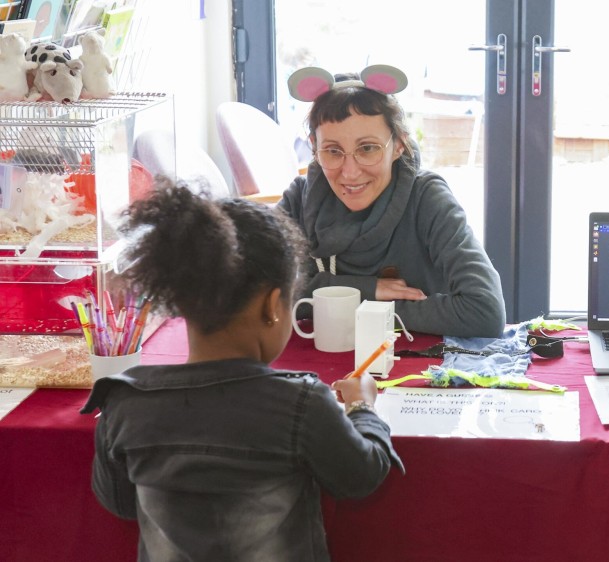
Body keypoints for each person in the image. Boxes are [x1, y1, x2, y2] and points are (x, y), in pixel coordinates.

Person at [81, 180, 403, 561]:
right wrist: (363, 408)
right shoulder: (300, 402)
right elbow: (361, 475)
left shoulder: (123, 402)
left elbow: (119, 503)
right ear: (272, 306)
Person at [278, 65, 505, 338]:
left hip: (414, 369)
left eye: (368, 148)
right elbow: (256, 293)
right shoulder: (298, 201)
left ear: (398, 145)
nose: (350, 172)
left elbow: (485, 311)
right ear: (314, 146)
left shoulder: (427, 199)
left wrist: (341, 302)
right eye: (333, 151)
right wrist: (365, 289)